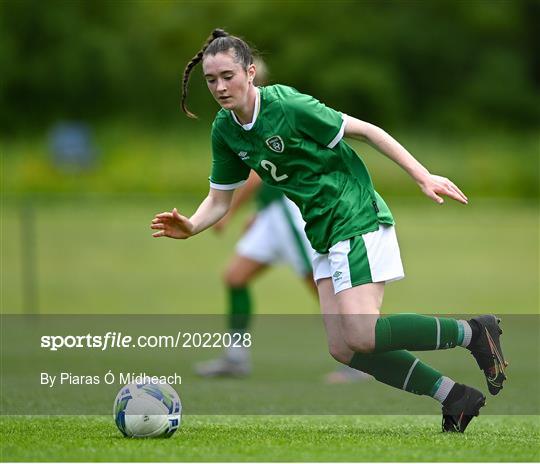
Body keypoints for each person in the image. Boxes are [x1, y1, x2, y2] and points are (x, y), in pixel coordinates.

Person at [151, 29, 507, 432]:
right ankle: (453, 396)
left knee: (362, 332)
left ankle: (473, 332)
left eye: (228, 75)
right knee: (344, 348)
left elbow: (368, 131)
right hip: (320, 230)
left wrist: (421, 175)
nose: (219, 86)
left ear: (250, 73)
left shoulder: (288, 105)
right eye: (211, 80)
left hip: (354, 214)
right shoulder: (225, 130)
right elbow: (219, 199)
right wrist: (193, 225)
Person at [196, 169, 371, 384]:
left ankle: (361, 359)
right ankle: (236, 358)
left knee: (324, 289)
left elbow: (257, 173)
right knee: (235, 277)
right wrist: (260, 210)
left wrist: (229, 212)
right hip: (271, 213)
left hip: (288, 211)